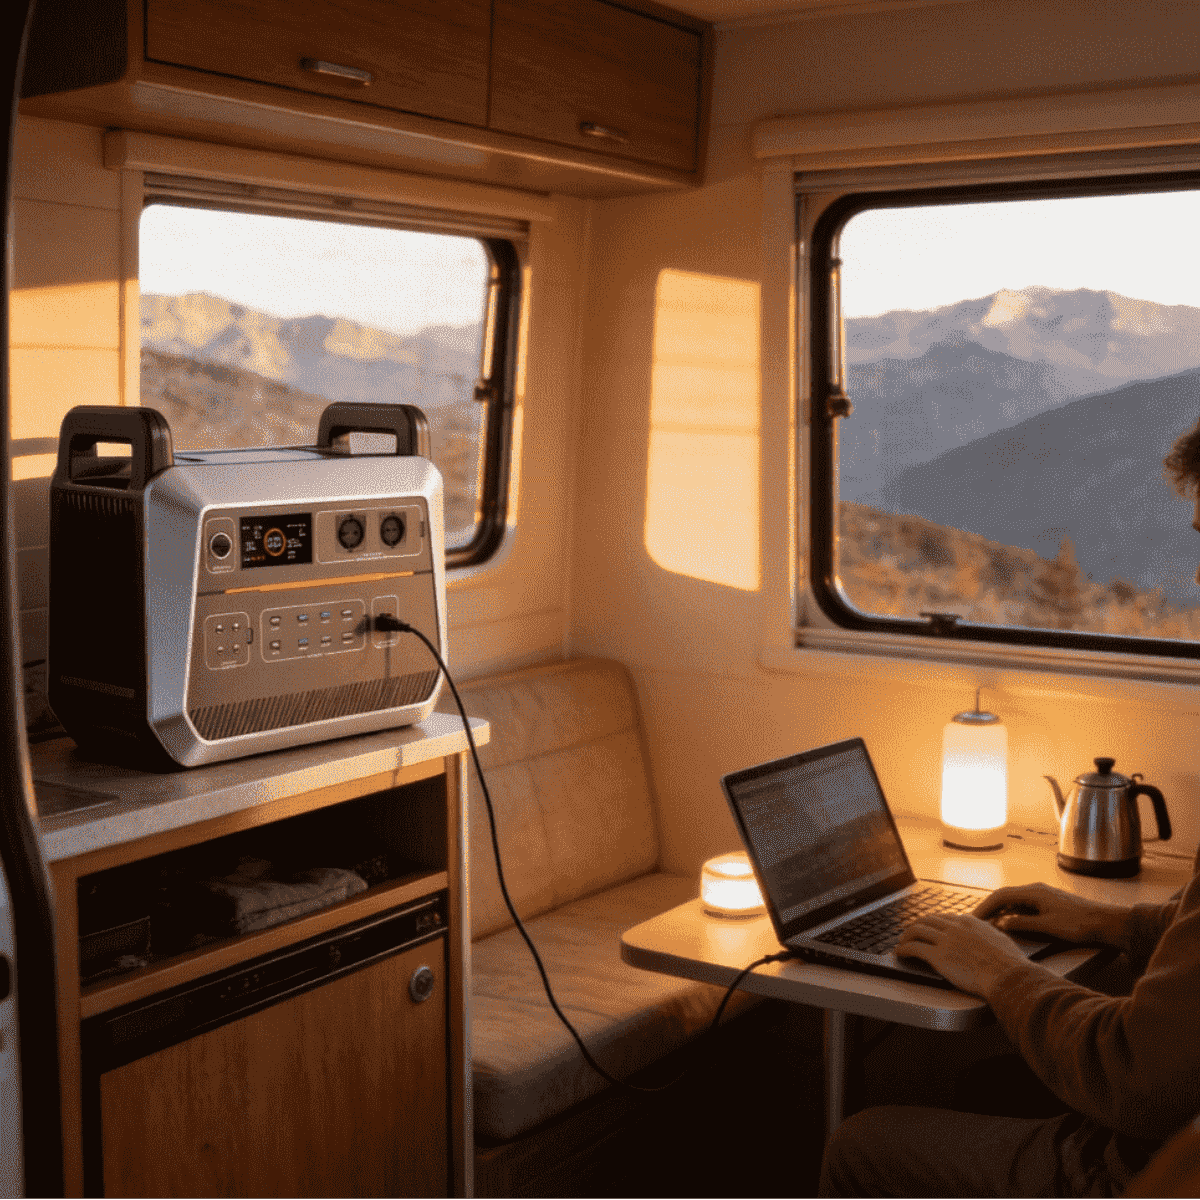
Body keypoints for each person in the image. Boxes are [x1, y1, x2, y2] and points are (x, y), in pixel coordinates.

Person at [818, 415, 1200, 1200]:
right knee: (987, 1083)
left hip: (1150, 1166)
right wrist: (1110, 923)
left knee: (860, 1144)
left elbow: (1134, 1077)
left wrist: (1002, 972)